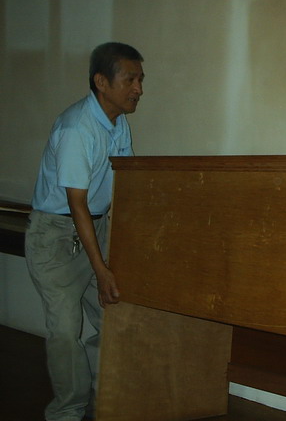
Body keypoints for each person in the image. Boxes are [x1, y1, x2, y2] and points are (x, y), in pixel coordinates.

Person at [25, 42, 145, 421]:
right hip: (56, 236)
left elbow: (125, 185)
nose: (139, 89)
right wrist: (101, 269)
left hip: (95, 226)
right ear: (101, 82)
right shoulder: (77, 128)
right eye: (130, 80)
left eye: (140, 80)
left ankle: (103, 396)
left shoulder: (118, 122)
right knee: (65, 331)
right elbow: (76, 204)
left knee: (114, 320)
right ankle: (68, 412)